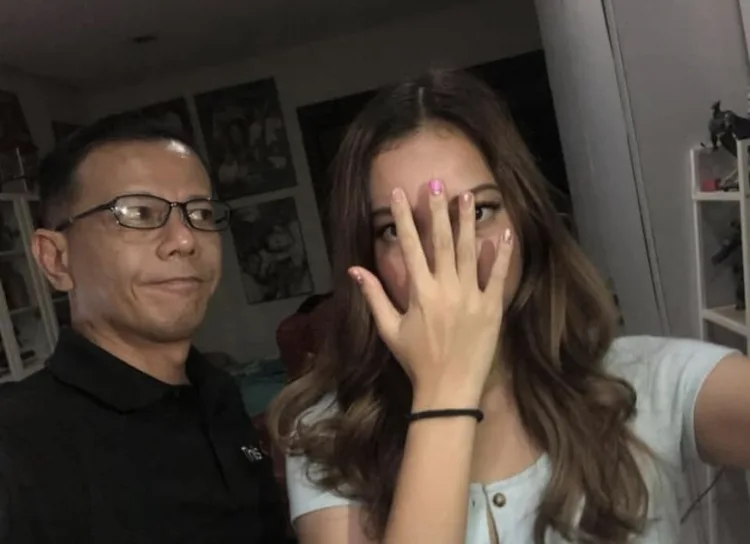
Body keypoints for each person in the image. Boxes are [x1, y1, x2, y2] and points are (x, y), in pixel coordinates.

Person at [268, 70, 750, 544]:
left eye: (477, 211)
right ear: (366, 259)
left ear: (525, 223)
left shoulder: (643, 383)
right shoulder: (328, 438)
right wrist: (445, 387)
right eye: (396, 230)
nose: (444, 255)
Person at [0, 117, 288, 543]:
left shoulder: (218, 393)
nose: (185, 240)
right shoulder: (17, 443)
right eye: (137, 213)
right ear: (56, 259)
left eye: (200, 213)